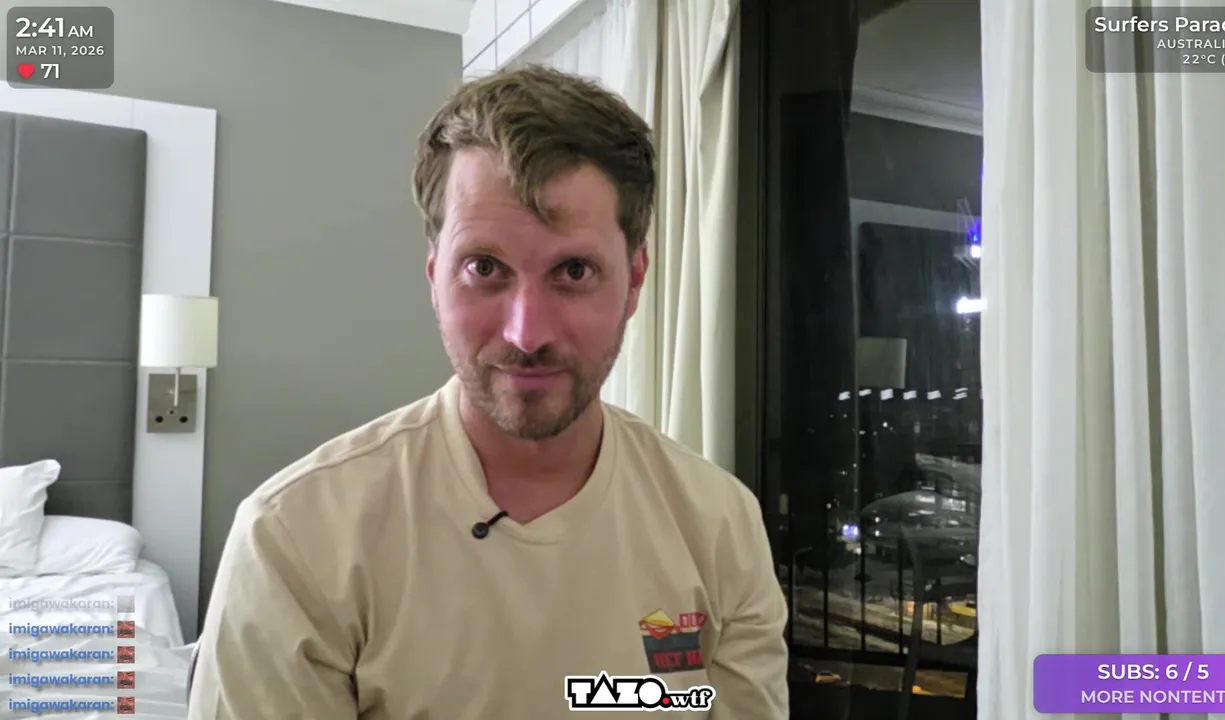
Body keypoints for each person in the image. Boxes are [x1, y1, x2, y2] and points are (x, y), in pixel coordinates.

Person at [187, 65, 788, 719]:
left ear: (635, 279)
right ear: (434, 276)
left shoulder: (719, 527)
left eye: (574, 270)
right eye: (484, 267)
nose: (527, 334)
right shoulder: (296, 539)